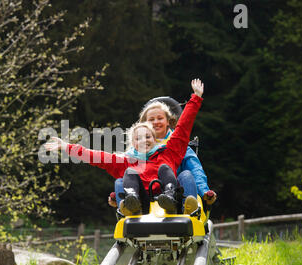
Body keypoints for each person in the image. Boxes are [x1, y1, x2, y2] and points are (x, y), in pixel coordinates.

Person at [45, 79, 205, 215]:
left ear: (154, 139)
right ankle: (130, 203)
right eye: (139, 138)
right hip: (144, 201)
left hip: (169, 196)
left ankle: (171, 199)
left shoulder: (168, 152)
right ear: (133, 143)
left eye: (148, 137)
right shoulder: (128, 160)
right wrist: (66, 147)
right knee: (127, 174)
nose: (144, 141)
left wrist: (196, 98)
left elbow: (183, 126)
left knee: (166, 169)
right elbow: (95, 156)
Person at [109, 92, 217, 214]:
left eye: (160, 118)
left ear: (168, 121)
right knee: (120, 180)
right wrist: (118, 196)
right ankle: (128, 207)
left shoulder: (177, 146)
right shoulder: (134, 151)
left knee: (186, 174)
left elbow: (195, 169)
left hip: (175, 192)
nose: (156, 122)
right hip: (145, 196)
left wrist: (204, 192)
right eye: (151, 120)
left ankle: (187, 208)